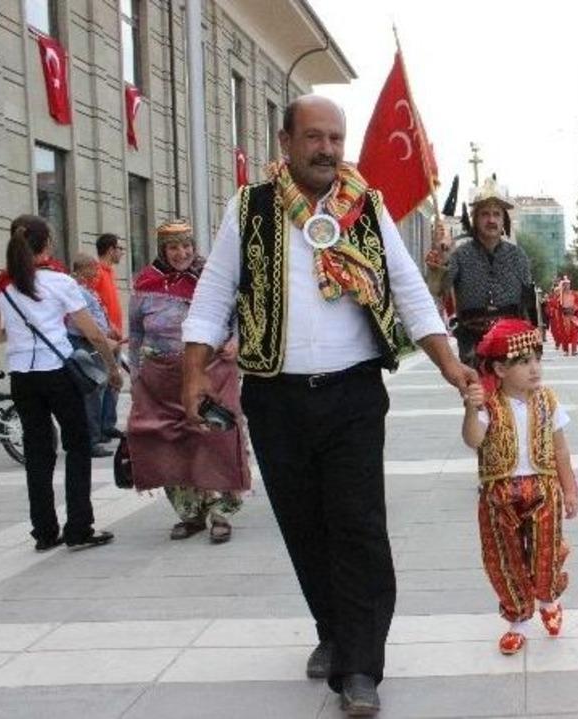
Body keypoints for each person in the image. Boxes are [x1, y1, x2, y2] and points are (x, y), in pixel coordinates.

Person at [180, 95, 475, 717]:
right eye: (314, 137)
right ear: (285, 141)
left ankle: (362, 666)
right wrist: (194, 373)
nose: (327, 150)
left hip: (353, 394)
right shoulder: (251, 208)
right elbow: (211, 296)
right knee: (304, 526)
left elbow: (410, 290)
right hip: (275, 397)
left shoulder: (366, 208)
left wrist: (450, 365)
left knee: (359, 526)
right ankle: (333, 630)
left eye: (336, 139)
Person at [0, 215, 121, 550]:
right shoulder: (60, 282)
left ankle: (45, 532)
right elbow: (91, 331)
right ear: (47, 242)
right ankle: (79, 528)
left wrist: (20, 330)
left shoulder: (4, 285)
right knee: (77, 446)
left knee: (37, 454)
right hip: (57, 373)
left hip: (22, 377)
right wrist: (112, 367)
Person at [127, 220, 250, 544]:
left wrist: (236, 339)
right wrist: (136, 377)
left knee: (216, 437)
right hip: (161, 377)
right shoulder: (146, 283)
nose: (181, 253)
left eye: (186, 246)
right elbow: (137, 332)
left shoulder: (211, 279)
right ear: (162, 250)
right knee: (170, 441)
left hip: (212, 371)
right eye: (173, 247)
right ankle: (190, 513)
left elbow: (239, 316)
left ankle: (221, 512)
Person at [461, 319, 578, 655]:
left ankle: (547, 599)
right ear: (499, 368)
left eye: (537, 360)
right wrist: (471, 409)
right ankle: (518, 621)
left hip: (544, 490)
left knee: (545, 553)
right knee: (504, 559)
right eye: (524, 362)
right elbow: (473, 439)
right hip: (499, 494)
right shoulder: (488, 404)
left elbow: (560, 448)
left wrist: (569, 489)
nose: (534, 368)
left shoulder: (548, 401)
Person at [425, 178, 537, 367]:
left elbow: (528, 303)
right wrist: (441, 259)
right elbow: (437, 290)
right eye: (485, 214)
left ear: (504, 220)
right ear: (475, 220)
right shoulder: (460, 255)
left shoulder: (518, 256)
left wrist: (534, 342)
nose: (491, 220)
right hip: (472, 342)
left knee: (510, 396)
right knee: (478, 395)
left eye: (496, 214)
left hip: (512, 341)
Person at [67, 253, 118, 457]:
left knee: (100, 387)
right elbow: (82, 323)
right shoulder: (76, 290)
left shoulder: (87, 289)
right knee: (93, 389)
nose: (97, 272)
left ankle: (99, 432)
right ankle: (91, 440)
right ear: (83, 269)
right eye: (93, 268)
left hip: (93, 340)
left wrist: (108, 329)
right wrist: (103, 338)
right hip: (85, 342)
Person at [93, 233, 125, 443]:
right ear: (111, 249)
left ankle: (108, 424)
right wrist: (106, 329)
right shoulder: (96, 272)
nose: (121, 252)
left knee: (115, 381)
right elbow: (95, 304)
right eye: (119, 248)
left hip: (116, 336)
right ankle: (100, 428)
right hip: (104, 337)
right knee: (103, 381)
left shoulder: (109, 272)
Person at [554, 277, 578, 356]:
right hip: (564, 316)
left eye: (568, 285)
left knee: (574, 332)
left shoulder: (574, 293)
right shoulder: (560, 296)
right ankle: (566, 350)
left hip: (573, 315)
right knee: (565, 333)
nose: (567, 286)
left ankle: (574, 350)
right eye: (565, 285)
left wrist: (574, 308)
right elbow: (557, 306)